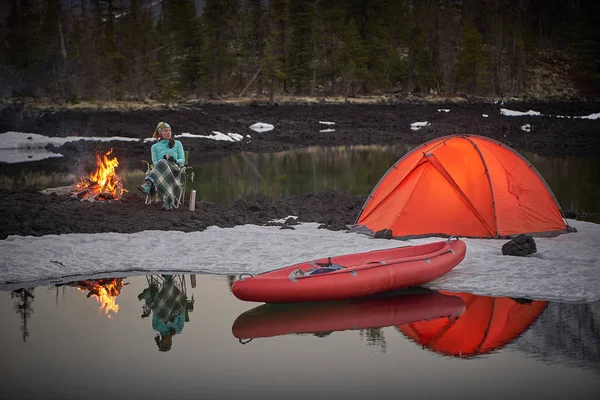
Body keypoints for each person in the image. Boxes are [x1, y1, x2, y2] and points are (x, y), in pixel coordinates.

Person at [138, 121, 186, 210]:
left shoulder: (178, 143)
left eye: (169, 131)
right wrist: (164, 161)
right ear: (160, 133)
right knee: (162, 161)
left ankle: (148, 183)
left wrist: (174, 160)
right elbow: (155, 162)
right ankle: (168, 203)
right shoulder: (155, 147)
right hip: (161, 173)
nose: (168, 133)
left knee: (162, 161)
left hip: (175, 171)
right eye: (165, 131)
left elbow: (183, 160)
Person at [138, 275, 188, 352]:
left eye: (165, 343)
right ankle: (168, 281)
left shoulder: (156, 327)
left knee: (159, 311)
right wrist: (173, 313)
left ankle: (148, 296)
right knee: (170, 310)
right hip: (175, 304)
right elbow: (182, 314)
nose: (168, 342)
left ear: (161, 341)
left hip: (162, 304)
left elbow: (155, 313)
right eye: (169, 343)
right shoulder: (178, 330)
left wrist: (165, 317)